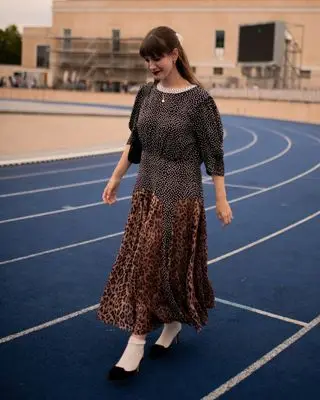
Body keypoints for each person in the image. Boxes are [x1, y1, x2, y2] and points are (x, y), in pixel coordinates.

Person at [97, 26, 233, 381]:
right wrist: (115, 177)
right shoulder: (144, 93)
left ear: (174, 54)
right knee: (157, 266)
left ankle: (136, 343)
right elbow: (135, 142)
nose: (151, 65)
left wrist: (221, 199)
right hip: (146, 191)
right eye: (146, 59)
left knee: (150, 264)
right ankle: (171, 324)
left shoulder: (200, 101)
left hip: (179, 195)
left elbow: (214, 155)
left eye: (156, 57)